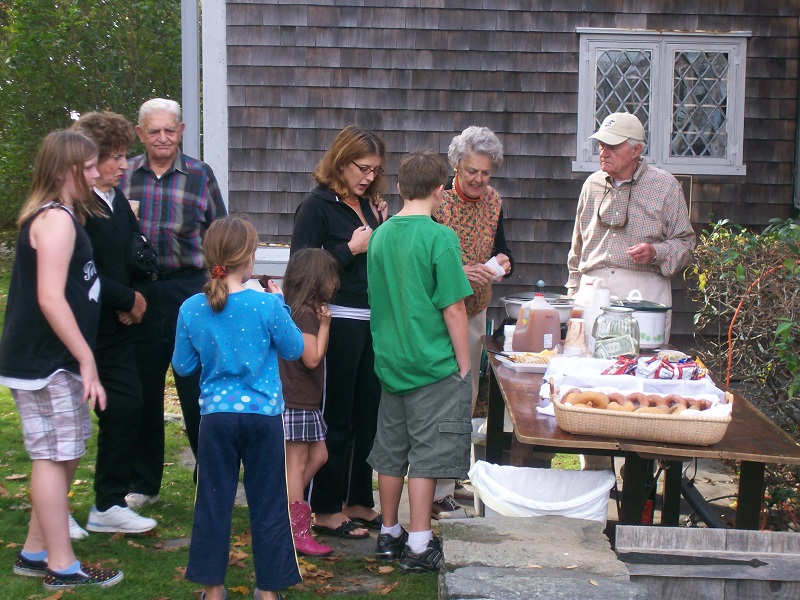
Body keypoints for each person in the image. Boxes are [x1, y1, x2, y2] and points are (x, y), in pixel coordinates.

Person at [0, 130, 123, 589]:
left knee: (63, 453)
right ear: (62, 171)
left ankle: (35, 552)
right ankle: (62, 566)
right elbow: (50, 298)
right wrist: (85, 359)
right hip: (46, 361)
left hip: (54, 360)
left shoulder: (65, 214)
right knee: (54, 457)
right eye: (88, 168)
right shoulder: (54, 220)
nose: (96, 174)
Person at [172, 216, 303, 600]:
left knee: (213, 501)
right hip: (263, 420)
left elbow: (182, 365)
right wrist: (281, 304)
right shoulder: (266, 305)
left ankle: (213, 591)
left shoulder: (192, 308)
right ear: (247, 257)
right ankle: (268, 590)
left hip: (216, 419)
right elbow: (295, 349)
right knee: (269, 502)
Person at [367, 150, 473, 573]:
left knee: (391, 452)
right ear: (440, 190)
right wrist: (464, 366)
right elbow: (454, 308)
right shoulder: (440, 237)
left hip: (390, 363)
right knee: (427, 456)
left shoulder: (379, 235)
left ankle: (388, 533)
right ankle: (418, 544)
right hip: (432, 366)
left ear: (398, 187)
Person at [120, 98, 227, 509]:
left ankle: (211, 475)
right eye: (154, 131)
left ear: (181, 131)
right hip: (139, 294)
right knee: (143, 388)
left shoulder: (201, 175)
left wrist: (219, 289)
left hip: (190, 291)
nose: (162, 138)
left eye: (170, 130)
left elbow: (220, 236)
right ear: (140, 133)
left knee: (199, 387)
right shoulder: (124, 175)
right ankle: (143, 483)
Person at [292, 125, 387, 540]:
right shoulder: (315, 207)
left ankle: (357, 501)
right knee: (337, 419)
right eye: (362, 168)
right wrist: (349, 250)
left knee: (368, 417)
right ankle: (326, 508)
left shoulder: (368, 205)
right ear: (341, 161)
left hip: (372, 321)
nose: (369, 177)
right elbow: (302, 270)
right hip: (337, 321)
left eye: (375, 170)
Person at [71, 111, 157, 535]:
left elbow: (130, 253)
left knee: (127, 406)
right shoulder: (73, 205)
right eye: (116, 157)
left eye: (125, 155)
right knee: (66, 427)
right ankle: (48, 518)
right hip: (79, 332)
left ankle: (107, 503)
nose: (125, 165)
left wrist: (139, 295)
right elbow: (78, 271)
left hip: (117, 330)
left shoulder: (114, 198)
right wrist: (126, 298)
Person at [432, 125, 513, 519]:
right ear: (456, 168)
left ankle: (449, 479)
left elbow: (500, 245)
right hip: (440, 314)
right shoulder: (439, 203)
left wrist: (503, 262)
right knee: (447, 395)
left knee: (465, 396)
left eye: (486, 173)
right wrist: (462, 271)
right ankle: (436, 488)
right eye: (471, 172)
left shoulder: (494, 201)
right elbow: (425, 264)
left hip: (476, 311)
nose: (479, 180)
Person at [566, 112, 695, 341]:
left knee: (640, 367)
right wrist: (573, 293)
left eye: (612, 146)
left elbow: (686, 243)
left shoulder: (665, 186)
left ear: (636, 150)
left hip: (644, 294)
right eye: (601, 145)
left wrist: (656, 252)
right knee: (586, 366)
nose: (603, 153)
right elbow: (578, 246)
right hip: (592, 290)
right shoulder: (591, 185)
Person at [278, 248, 340, 557]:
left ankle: (282, 513)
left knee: (320, 455)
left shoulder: (300, 309)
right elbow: (312, 358)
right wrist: (326, 325)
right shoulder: (303, 313)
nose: (335, 283)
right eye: (330, 276)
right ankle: (295, 530)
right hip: (297, 401)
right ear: (315, 279)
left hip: (305, 401)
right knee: (298, 463)